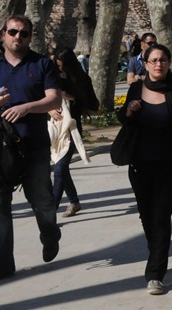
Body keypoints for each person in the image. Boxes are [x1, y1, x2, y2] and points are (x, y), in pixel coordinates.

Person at [0, 16, 62, 283]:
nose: (17, 37)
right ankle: (1, 264)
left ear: (30, 37)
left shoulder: (42, 64)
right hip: (0, 147)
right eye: (12, 32)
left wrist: (26, 107)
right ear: (3, 35)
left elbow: (54, 99)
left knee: (42, 201)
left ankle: (50, 234)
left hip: (34, 145)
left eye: (23, 33)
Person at [118, 43, 172, 295]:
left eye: (163, 60)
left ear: (169, 63)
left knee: (161, 216)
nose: (159, 64)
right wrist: (129, 111)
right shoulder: (136, 88)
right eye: (154, 60)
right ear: (145, 64)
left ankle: (155, 273)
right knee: (147, 216)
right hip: (139, 165)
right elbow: (123, 118)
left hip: (168, 165)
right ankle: (156, 251)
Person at [49, 47, 100, 218]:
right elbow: (41, 98)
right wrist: (50, 109)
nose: (60, 68)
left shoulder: (82, 79)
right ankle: (74, 201)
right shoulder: (52, 76)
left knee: (60, 167)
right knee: (61, 167)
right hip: (54, 128)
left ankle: (52, 208)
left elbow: (93, 104)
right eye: (57, 65)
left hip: (72, 127)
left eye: (63, 66)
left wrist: (72, 96)